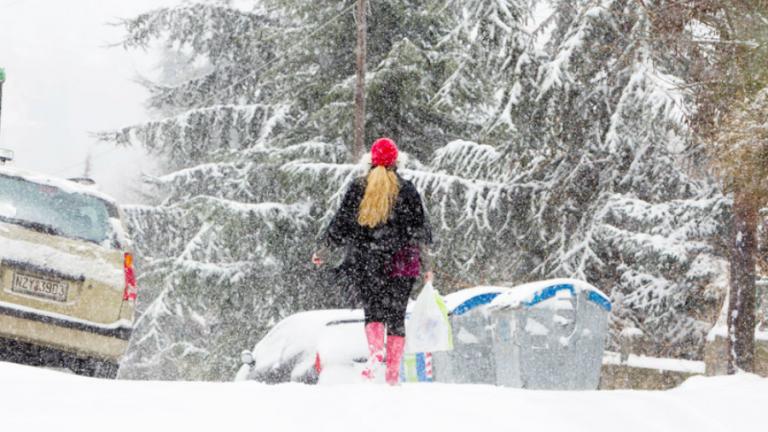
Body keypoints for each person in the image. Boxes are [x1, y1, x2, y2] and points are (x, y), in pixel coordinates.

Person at [312, 137, 433, 385]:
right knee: (397, 317)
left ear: (370, 161)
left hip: (368, 260)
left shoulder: (359, 187)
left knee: (374, 311)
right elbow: (420, 231)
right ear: (397, 162)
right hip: (403, 262)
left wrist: (323, 250)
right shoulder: (408, 190)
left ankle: (376, 354)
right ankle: (392, 375)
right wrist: (427, 267)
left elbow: (341, 223)